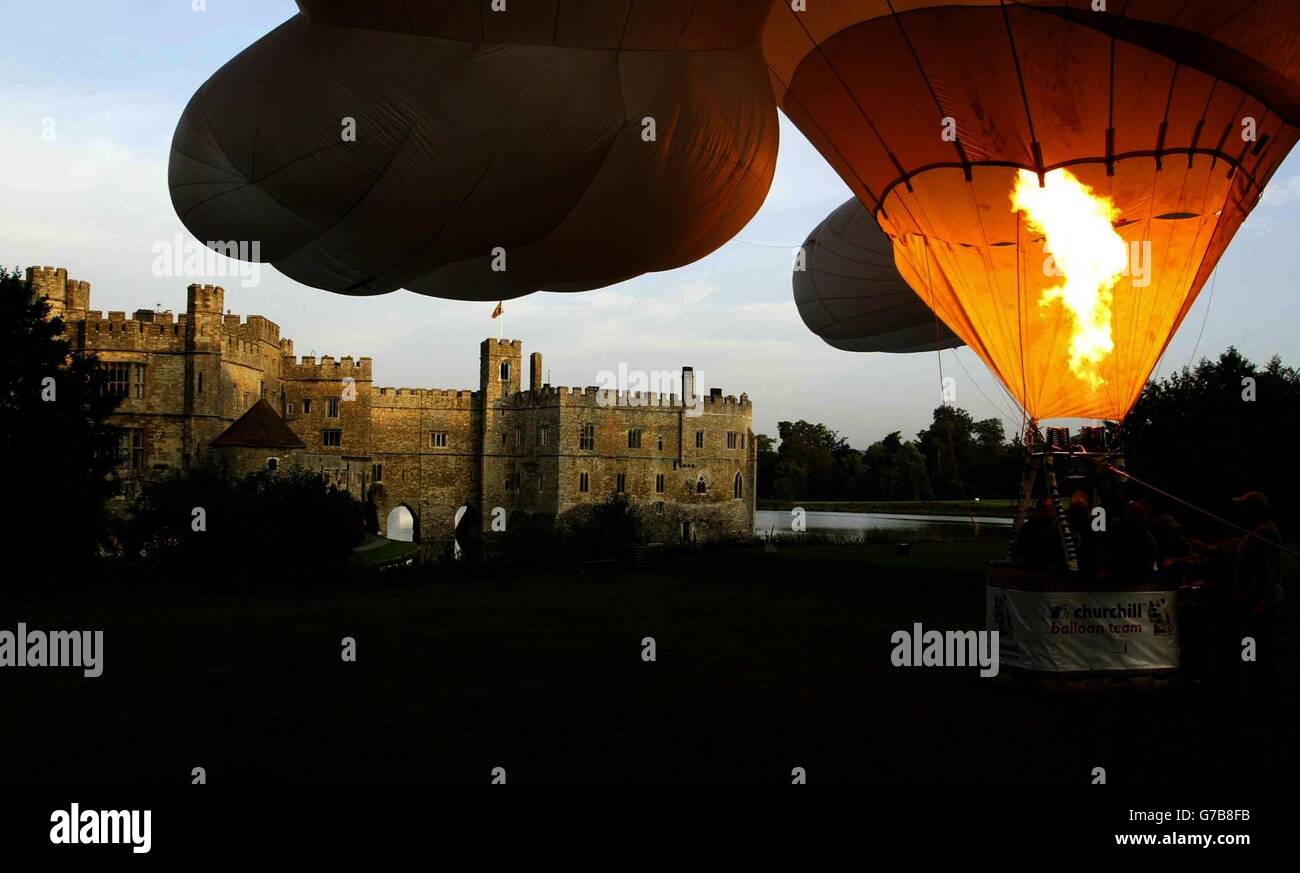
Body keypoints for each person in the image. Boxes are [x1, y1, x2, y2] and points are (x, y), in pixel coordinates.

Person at [1229, 491, 1284, 691]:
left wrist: (1258, 602)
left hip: (1257, 603)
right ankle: (1256, 680)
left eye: (1244, 508)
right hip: (1256, 600)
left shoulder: (1263, 533)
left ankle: (1258, 685)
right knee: (1254, 643)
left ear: (1254, 510)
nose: (1240, 512)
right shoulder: (1259, 531)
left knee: (1254, 642)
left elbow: (1264, 573)